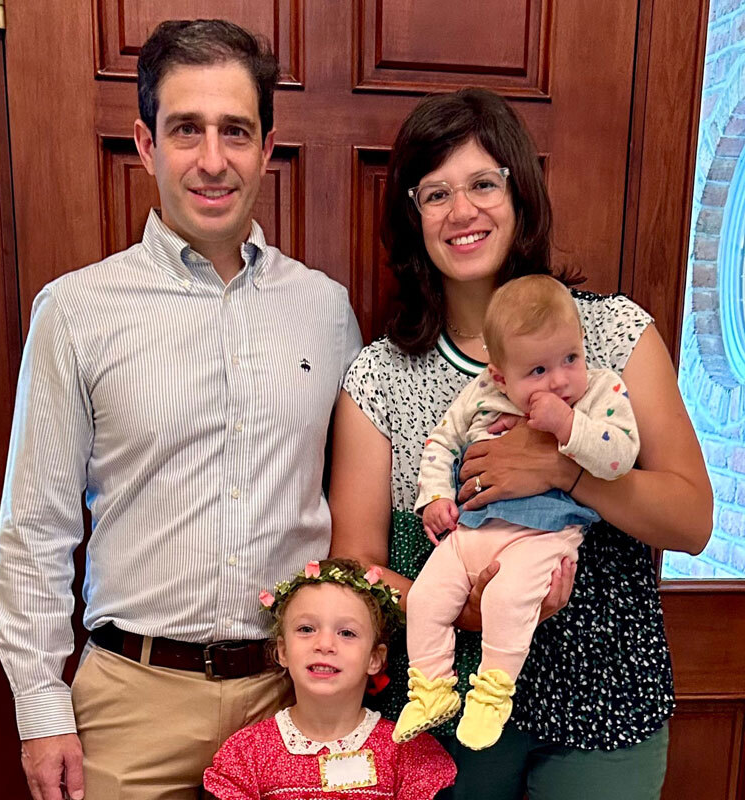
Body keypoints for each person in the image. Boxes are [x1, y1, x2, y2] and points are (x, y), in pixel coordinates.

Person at [0, 19, 361, 800]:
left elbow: (353, 500)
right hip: (132, 704)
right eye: (186, 129)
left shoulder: (326, 312)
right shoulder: (76, 312)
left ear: (267, 146)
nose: (213, 159)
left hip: (292, 700)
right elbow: (36, 528)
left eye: (236, 130)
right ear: (146, 144)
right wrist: (39, 705)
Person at [329, 87, 712, 800]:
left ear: (521, 194)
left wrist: (563, 473)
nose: (462, 211)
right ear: (413, 219)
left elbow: (692, 521)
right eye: (435, 193)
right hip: (450, 716)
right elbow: (355, 566)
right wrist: (460, 604)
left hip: (606, 703)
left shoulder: (614, 336)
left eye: (482, 183)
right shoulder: (379, 375)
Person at [394, 274, 639, 751]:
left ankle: (491, 694)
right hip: (474, 526)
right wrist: (435, 497)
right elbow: (442, 442)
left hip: (545, 534)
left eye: (570, 358)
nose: (560, 380)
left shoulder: (600, 392)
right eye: (537, 371)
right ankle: (432, 689)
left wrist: (568, 427)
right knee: (425, 598)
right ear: (500, 374)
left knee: (506, 599)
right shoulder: (483, 392)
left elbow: (620, 457)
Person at [202, 558, 456, 799]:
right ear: (282, 651)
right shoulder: (248, 753)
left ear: (374, 659)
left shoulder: (407, 752)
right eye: (306, 629)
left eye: (346, 632)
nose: (324, 644)